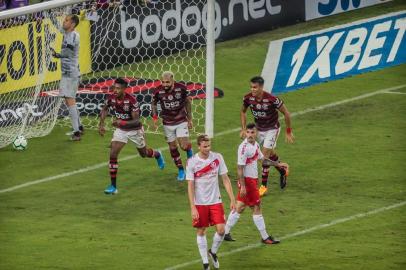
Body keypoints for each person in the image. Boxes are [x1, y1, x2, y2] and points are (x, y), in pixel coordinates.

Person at [98, 78, 165, 195]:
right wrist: (101, 124)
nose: (115, 90)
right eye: (114, 87)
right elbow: (104, 109)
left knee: (143, 154)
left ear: (124, 89)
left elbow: (137, 122)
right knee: (113, 154)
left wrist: (121, 122)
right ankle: (113, 186)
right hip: (121, 130)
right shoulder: (111, 98)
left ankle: (157, 154)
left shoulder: (132, 101)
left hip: (135, 130)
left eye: (118, 88)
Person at [224, 123, 284, 244]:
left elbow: (263, 160)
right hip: (247, 181)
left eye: (252, 132)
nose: (250, 135)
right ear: (245, 133)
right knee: (256, 207)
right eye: (248, 132)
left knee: (240, 207)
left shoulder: (255, 145)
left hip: (252, 181)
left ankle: (224, 232)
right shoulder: (243, 148)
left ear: (256, 133)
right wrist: (243, 186)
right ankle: (265, 237)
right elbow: (239, 168)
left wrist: (278, 164)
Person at [186, 135, 236, 270]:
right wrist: (192, 207)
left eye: (209, 146)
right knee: (201, 230)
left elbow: (225, 179)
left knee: (221, 230)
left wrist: (232, 198)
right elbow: (190, 185)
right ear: (198, 146)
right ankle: (205, 263)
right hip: (200, 203)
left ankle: (213, 252)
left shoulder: (217, 158)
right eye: (205, 146)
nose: (208, 149)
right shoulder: (191, 162)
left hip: (215, 201)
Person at [241, 76, 294, 196]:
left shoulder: (271, 99)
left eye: (255, 87)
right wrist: (243, 128)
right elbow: (242, 111)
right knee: (270, 154)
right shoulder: (248, 98)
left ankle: (263, 187)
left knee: (264, 157)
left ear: (261, 87)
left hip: (272, 129)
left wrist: (288, 131)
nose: (252, 89)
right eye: (251, 87)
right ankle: (282, 169)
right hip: (259, 129)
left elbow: (286, 113)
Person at [152, 71, 193, 181]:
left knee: (184, 146)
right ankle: (180, 170)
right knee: (173, 148)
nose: (165, 84)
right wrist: (155, 118)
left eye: (167, 82)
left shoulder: (182, 88)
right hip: (167, 123)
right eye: (163, 82)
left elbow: (187, 102)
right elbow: (154, 103)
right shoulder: (158, 91)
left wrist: (190, 119)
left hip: (181, 121)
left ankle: (191, 158)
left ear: (172, 81)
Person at [51, 14, 83, 141]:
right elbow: (58, 26)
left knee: (70, 100)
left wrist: (57, 55)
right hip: (68, 73)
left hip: (71, 73)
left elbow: (68, 52)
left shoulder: (74, 36)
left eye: (66, 20)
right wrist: (48, 13)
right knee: (69, 100)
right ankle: (79, 127)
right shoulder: (67, 33)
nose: (64, 22)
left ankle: (76, 132)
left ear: (73, 24)